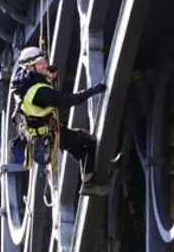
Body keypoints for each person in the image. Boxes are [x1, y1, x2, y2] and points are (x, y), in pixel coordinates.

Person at [10, 46, 110, 196]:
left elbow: (39, 90)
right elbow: (68, 101)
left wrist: (46, 77)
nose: (45, 65)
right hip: (48, 134)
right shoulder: (40, 93)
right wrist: (92, 91)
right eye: (40, 63)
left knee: (77, 148)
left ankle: (93, 173)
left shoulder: (22, 83)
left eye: (44, 61)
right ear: (30, 67)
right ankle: (90, 182)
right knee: (88, 142)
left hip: (42, 132)